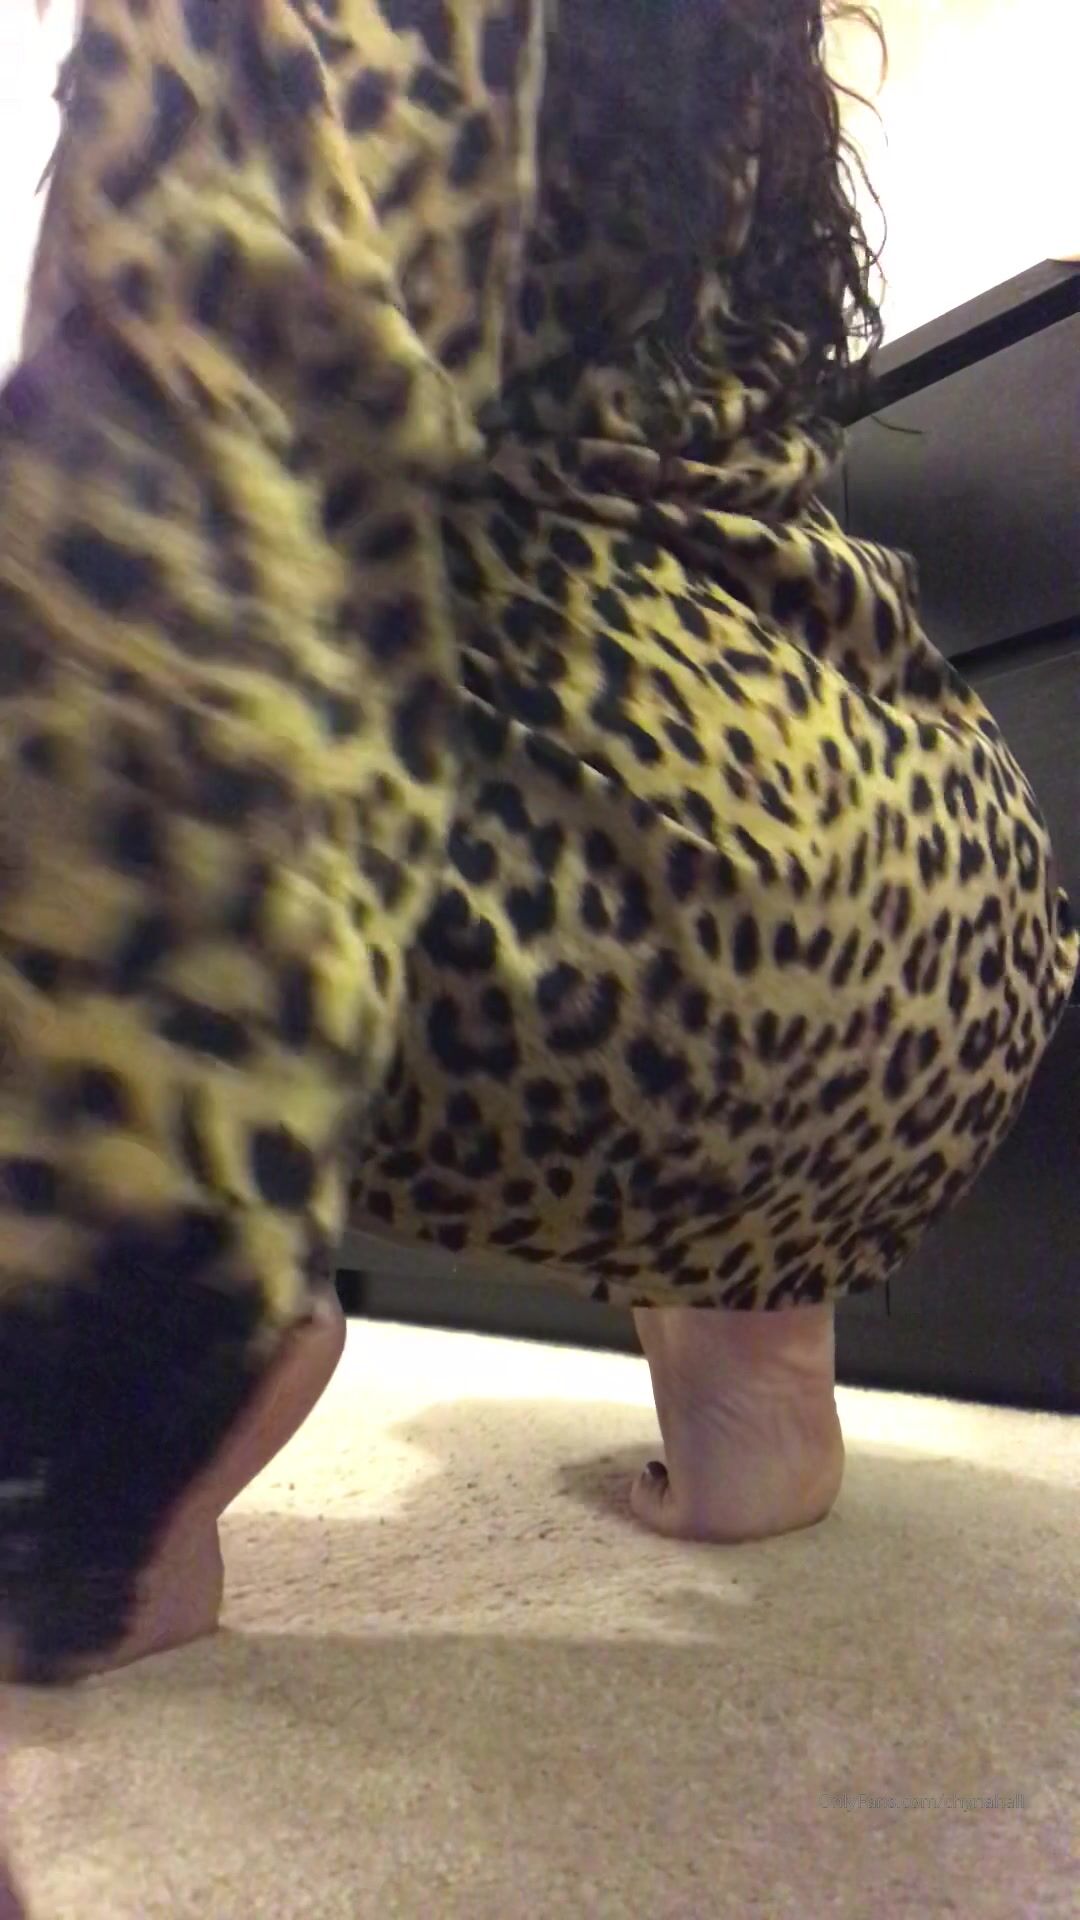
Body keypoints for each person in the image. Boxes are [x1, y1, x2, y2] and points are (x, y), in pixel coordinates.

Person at [0, 0, 1074, 1686]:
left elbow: (156, 444)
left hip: (574, 896)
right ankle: (757, 1388)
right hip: (938, 890)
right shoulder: (737, 63)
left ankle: (154, 1346)